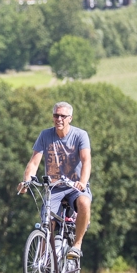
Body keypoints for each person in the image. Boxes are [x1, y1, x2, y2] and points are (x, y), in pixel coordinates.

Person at [18, 101, 91, 260]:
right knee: (47, 224)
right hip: (54, 188)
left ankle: (76, 245)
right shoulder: (45, 135)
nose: (59, 119)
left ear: (70, 118)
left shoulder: (80, 135)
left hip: (74, 185)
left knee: (84, 202)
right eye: (56, 115)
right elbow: (34, 162)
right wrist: (26, 181)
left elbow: (86, 161)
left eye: (63, 116)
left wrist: (83, 182)